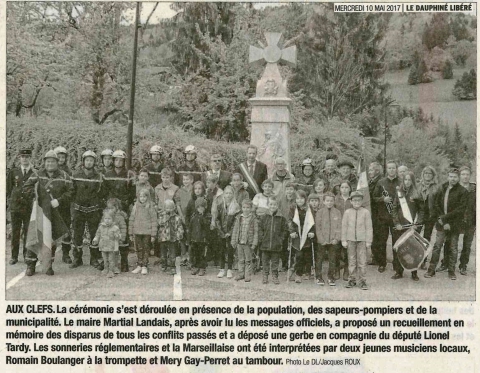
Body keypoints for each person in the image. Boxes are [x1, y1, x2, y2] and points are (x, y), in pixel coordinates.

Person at [23, 150, 74, 276]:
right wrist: (34, 197)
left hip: (56, 213)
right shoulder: (37, 174)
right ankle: (31, 266)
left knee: (51, 239)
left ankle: (48, 265)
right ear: (44, 162)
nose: (50, 164)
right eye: (48, 161)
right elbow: (26, 187)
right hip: (39, 213)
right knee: (35, 237)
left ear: (57, 163)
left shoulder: (65, 176)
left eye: (52, 161)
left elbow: (71, 192)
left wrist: (59, 200)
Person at [424, 166, 467, 280]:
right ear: (448, 177)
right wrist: (441, 219)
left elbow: (460, 210)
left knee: (453, 247)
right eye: (450, 176)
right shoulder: (442, 188)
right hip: (441, 223)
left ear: (458, 178)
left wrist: (446, 219)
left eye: (455, 177)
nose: (452, 179)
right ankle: (431, 270)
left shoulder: (463, 191)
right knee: (437, 246)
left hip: (454, 224)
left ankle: (451, 271)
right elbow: (437, 204)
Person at [71, 150, 105, 270]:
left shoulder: (100, 177)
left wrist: (98, 206)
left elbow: (102, 194)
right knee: (77, 235)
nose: (89, 163)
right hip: (79, 210)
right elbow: (72, 192)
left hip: (93, 210)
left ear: (94, 162)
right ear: (83, 161)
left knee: (94, 235)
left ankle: (94, 258)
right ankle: (77, 258)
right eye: (87, 160)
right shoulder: (75, 176)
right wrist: (74, 208)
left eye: (91, 160)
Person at [391, 171, 424, 281]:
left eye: (410, 180)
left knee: (413, 249)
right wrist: (396, 223)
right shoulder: (399, 193)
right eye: (405, 179)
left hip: (412, 226)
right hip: (400, 226)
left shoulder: (417, 194)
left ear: (413, 181)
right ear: (403, 181)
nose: (407, 182)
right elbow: (394, 208)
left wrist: (417, 223)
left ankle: (414, 272)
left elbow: (422, 210)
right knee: (399, 249)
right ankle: (398, 271)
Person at [6, 148, 35, 265]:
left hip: (28, 207)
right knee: (15, 232)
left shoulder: (34, 172)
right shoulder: (13, 172)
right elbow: (9, 189)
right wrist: (10, 203)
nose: (24, 159)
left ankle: (26, 255)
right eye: (22, 157)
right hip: (16, 207)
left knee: (28, 232)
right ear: (19, 158)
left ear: (30, 158)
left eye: (27, 157)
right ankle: (14, 256)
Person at [372, 160, 401, 273]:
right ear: (386, 170)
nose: (391, 170)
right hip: (383, 216)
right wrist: (383, 199)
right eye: (389, 168)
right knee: (381, 241)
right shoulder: (381, 182)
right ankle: (382, 263)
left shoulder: (401, 182)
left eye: (393, 168)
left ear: (396, 169)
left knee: (396, 241)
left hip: (396, 217)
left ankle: (397, 265)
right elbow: (374, 197)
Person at [342, 191, 373, 290]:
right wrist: (344, 239)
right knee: (351, 260)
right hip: (350, 239)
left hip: (362, 240)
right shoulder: (347, 212)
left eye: (359, 200)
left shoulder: (365, 212)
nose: (356, 202)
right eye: (354, 200)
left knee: (362, 261)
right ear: (351, 201)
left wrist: (368, 241)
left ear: (362, 201)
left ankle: (362, 280)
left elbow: (369, 227)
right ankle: (352, 279)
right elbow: (344, 227)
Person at [258, 196, 289, 285]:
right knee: (265, 261)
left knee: (275, 262)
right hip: (265, 244)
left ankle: (275, 276)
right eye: (271, 204)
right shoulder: (264, 217)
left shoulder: (281, 218)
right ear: (268, 205)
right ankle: (265, 275)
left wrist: (280, 239)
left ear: (277, 205)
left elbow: (285, 230)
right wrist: (262, 237)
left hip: (276, 245)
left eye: (275, 204)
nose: (273, 206)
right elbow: (260, 228)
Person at [213, 186, 241, 279]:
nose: (228, 195)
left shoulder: (236, 207)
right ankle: (221, 269)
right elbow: (217, 219)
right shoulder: (220, 205)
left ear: (233, 194)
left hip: (230, 233)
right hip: (221, 233)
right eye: (226, 193)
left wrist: (230, 232)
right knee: (221, 250)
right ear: (223, 194)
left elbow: (236, 221)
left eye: (230, 193)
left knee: (230, 250)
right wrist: (221, 231)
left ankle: (229, 269)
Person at [288, 190, 315, 284]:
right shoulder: (293, 208)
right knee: (299, 255)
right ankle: (298, 273)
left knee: (307, 255)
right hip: (297, 234)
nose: (299, 201)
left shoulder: (309, 208)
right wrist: (292, 231)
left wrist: (312, 231)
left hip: (306, 233)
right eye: (297, 199)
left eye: (301, 198)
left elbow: (312, 221)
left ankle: (307, 272)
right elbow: (290, 220)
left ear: (305, 199)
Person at [315, 192, 342, 286]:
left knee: (332, 259)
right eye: (327, 200)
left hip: (333, 241)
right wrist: (321, 239)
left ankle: (331, 277)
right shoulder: (320, 212)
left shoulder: (337, 212)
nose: (329, 202)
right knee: (320, 259)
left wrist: (336, 239)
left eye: (331, 201)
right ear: (324, 201)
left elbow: (339, 227)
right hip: (322, 241)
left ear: (334, 201)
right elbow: (318, 227)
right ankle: (318, 277)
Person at [129, 189, 157, 275]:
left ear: (148, 197)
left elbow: (154, 221)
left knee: (146, 249)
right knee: (138, 249)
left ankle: (144, 265)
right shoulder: (135, 207)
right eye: (141, 196)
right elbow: (131, 220)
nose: (142, 198)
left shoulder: (150, 207)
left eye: (144, 196)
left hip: (147, 232)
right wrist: (130, 232)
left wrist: (153, 234)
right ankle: (139, 265)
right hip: (137, 232)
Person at [231, 199, 259, 282]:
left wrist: (254, 243)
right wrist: (233, 241)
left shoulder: (253, 219)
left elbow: (256, 232)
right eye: (244, 207)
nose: (246, 209)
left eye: (248, 207)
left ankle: (247, 274)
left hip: (248, 243)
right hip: (240, 242)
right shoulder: (239, 218)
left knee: (248, 260)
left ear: (251, 208)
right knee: (240, 259)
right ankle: (241, 274)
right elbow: (235, 230)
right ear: (241, 208)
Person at [418, 165, 440, 269]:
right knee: (415, 236)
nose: (427, 175)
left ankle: (423, 260)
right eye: (426, 173)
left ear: (433, 175)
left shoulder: (436, 187)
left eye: (429, 173)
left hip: (430, 216)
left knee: (426, 238)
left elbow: (438, 202)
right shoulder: (418, 185)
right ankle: (415, 258)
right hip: (419, 214)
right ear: (423, 174)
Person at [92, 210, 121, 278]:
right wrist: (96, 239)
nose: (107, 220)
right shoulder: (101, 227)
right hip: (103, 246)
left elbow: (119, 236)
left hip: (112, 247)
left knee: (111, 259)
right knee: (105, 259)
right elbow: (98, 234)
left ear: (113, 219)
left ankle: (111, 271)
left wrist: (117, 236)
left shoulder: (115, 228)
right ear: (103, 219)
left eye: (109, 219)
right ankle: (106, 269)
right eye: (106, 218)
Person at [157, 200, 184, 275]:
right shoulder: (161, 216)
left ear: (174, 208)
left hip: (173, 238)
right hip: (163, 238)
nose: (169, 210)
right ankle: (163, 265)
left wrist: (179, 235)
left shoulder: (177, 218)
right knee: (163, 253)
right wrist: (164, 217)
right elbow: (159, 223)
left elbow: (179, 227)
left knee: (172, 254)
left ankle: (172, 267)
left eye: (170, 208)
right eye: (167, 208)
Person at [458, 166, 476, 276]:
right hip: (457, 219)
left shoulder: (474, 188)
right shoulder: (455, 187)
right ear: (460, 176)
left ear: (470, 176)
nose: (465, 176)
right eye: (463, 174)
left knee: (467, 244)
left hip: (471, 219)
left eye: (467, 174)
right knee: (451, 241)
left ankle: (463, 265)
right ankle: (446, 263)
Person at [173, 173, 194, 266]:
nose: (185, 181)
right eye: (184, 179)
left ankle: (190, 256)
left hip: (192, 217)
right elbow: (177, 204)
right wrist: (181, 216)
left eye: (187, 179)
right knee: (181, 236)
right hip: (182, 216)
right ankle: (183, 255)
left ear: (191, 180)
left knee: (190, 237)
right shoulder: (179, 191)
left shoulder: (194, 189)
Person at [334, 181, 353, 281]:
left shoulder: (353, 199)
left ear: (350, 189)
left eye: (346, 187)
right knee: (336, 250)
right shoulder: (336, 199)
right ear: (339, 189)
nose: (344, 189)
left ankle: (346, 270)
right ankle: (337, 269)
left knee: (347, 251)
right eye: (342, 187)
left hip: (349, 228)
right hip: (337, 228)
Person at [188, 197, 210, 276]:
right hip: (194, 239)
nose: (200, 209)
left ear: (205, 207)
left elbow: (207, 226)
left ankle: (202, 268)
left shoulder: (207, 216)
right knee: (195, 253)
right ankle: (195, 266)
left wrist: (202, 217)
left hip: (203, 239)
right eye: (198, 207)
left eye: (202, 207)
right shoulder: (193, 216)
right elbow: (190, 228)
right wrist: (189, 238)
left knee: (202, 254)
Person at [106, 198, 128, 272]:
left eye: (112, 208)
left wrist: (123, 238)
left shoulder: (120, 217)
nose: (110, 210)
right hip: (112, 238)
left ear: (117, 207)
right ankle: (113, 266)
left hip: (120, 237)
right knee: (113, 252)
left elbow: (123, 228)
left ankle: (124, 265)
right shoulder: (107, 217)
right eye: (108, 208)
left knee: (123, 252)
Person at [368, 162, 383, 266]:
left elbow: (374, 196)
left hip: (378, 211)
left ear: (377, 171)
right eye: (369, 170)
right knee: (373, 234)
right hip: (372, 211)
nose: (369, 172)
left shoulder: (380, 181)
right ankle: (375, 257)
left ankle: (379, 258)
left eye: (371, 170)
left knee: (378, 235)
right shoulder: (371, 181)